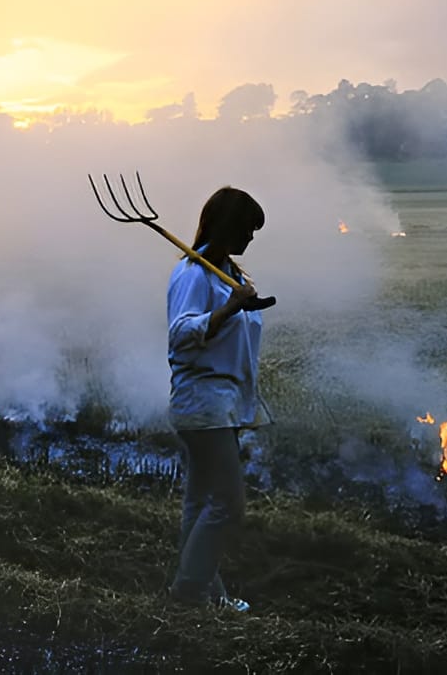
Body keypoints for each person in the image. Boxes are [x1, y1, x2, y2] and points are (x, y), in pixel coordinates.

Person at [165, 186, 273, 612]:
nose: (251, 237)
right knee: (228, 504)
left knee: (201, 501)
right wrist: (229, 308)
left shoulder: (229, 274)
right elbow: (181, 333)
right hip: (203, 402)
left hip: (219, 403)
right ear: (229, 226)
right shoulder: (193, 275)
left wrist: (239, 302)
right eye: (247, 228)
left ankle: (207, 594)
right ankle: (189, 592)